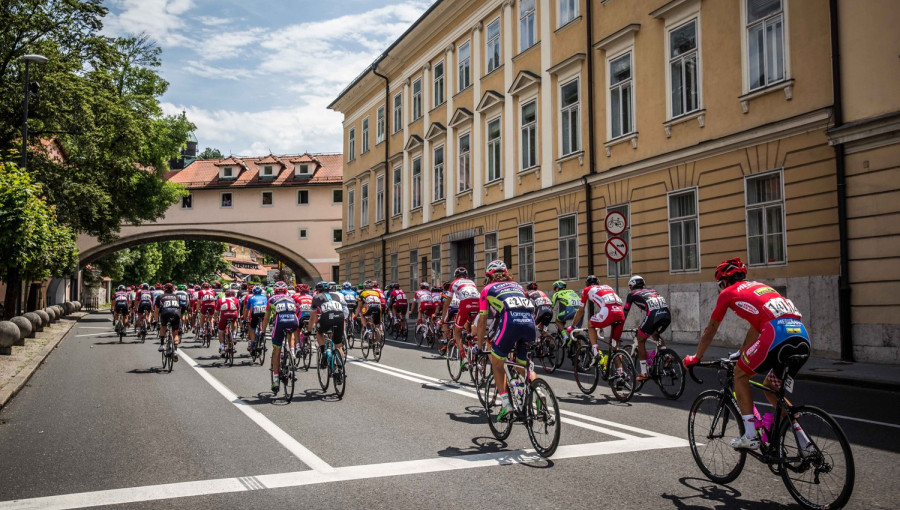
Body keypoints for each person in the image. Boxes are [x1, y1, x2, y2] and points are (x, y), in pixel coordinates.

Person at [684, 258, 811, 451]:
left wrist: (697, 357)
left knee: (740, 375)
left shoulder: (728, 293)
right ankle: (806, 444)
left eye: (720, 284)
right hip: (801, 337)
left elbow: (710, 329)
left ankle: (751, 435)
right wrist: (741, 353)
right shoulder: (761, 287)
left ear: (725, 281)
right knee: (770, 388)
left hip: (776, 334)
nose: (721, 288)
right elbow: (755, 328)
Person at [475, 260, 536, 421]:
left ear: (489, 276)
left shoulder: (487, 289)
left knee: (497, 363)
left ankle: (506, 404)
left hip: (510, 322)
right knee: (524, 366)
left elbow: (482, 322)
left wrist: (478, 346)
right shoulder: (518, 286)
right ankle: (539, 393)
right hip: (530, 323)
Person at [622, 275, 671, 382]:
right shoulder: (652, 290)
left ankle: (644, 373)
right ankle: (666, 356)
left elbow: (625, 313)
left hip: (654, 315)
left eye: (630, 286)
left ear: (632, 286)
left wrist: (619, 326)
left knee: (640, 339)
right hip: (667, 314)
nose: (629, 288)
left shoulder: (632, 294)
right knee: (655, 334)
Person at [568, 275, 626, 363]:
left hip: (608, 312)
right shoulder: (607, 287)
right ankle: (620, 372)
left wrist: (573, 326)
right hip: (620, 314)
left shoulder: (587, 290)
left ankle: (596, 353)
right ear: (598, 283)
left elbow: (580, 311)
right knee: (614, 347)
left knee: (590, 324)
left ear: (587, 284)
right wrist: (601, 324)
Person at [260, 281, 299, 392]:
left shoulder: (271, 299)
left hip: (280, 322)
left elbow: (266, 318)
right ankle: (292, 352)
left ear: (275, 290)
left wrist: (263, 331)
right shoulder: (291, 298)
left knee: (276, 351)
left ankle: (276, 380)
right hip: (293, 320)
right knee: (290, 333)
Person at [310, 281, 346, 369]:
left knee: (319, 332)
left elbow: (312, 317)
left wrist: (309, 330)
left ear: (318, 290)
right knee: (338, 344)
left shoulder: (316, 297)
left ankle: (323, 352)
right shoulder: (336, 296)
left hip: (327, 316)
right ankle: (340, 370)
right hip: (340, 316)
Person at [156, 283, 182, 361]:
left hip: (165, 313)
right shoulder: (177, 297)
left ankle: (162, 345)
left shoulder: (160, 297)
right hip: (175, 313)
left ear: (164, 289)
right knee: (175, 333)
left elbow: (156, 310)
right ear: (172, 289)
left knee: (163, 327)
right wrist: (179, 318)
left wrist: (156, 320)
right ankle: (176, 351)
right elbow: (179, 309)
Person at [214, 287, 240, 357]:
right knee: (234, 321)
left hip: (224, 316)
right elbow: (238, 310)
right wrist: (237, 318)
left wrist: (215, 319)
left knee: (221, 330)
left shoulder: (220, 300)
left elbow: (216, 312)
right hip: (233, 315)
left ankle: (222, 347)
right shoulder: (236, 300)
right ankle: (234, 336)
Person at [357, 280, 384, 344]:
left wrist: (355, 315)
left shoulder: (363, 292)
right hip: (378, 307)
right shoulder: (376, 292)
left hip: (370, 306)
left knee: (362, 315)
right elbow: (380, 303)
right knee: (376, 326)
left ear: (365, 287)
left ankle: (367, 329)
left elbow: (359, 306)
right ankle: (378, 344)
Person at [245, 286, 269, 352]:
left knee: (252, 328)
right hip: (264, 312)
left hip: (255, 313)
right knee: (263, 325)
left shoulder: (251, 298)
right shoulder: (265, 297)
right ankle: (262, 335)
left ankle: (252, 343)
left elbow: (247, 310)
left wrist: (244, 319)